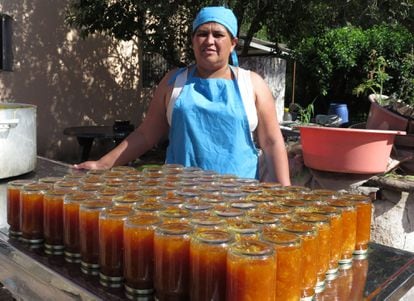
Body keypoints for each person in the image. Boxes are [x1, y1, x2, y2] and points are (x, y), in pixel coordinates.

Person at [74, 6, 291, 186]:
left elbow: (272, 142)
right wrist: (104, 163)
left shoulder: (251, 84)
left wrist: (285, 192)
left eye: (218, 34)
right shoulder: (174, 83)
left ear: (233, 42)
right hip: (180, 201)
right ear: (193, 40)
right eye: (202, 34)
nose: (209, 41)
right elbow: (146, 135)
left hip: (238, 203)